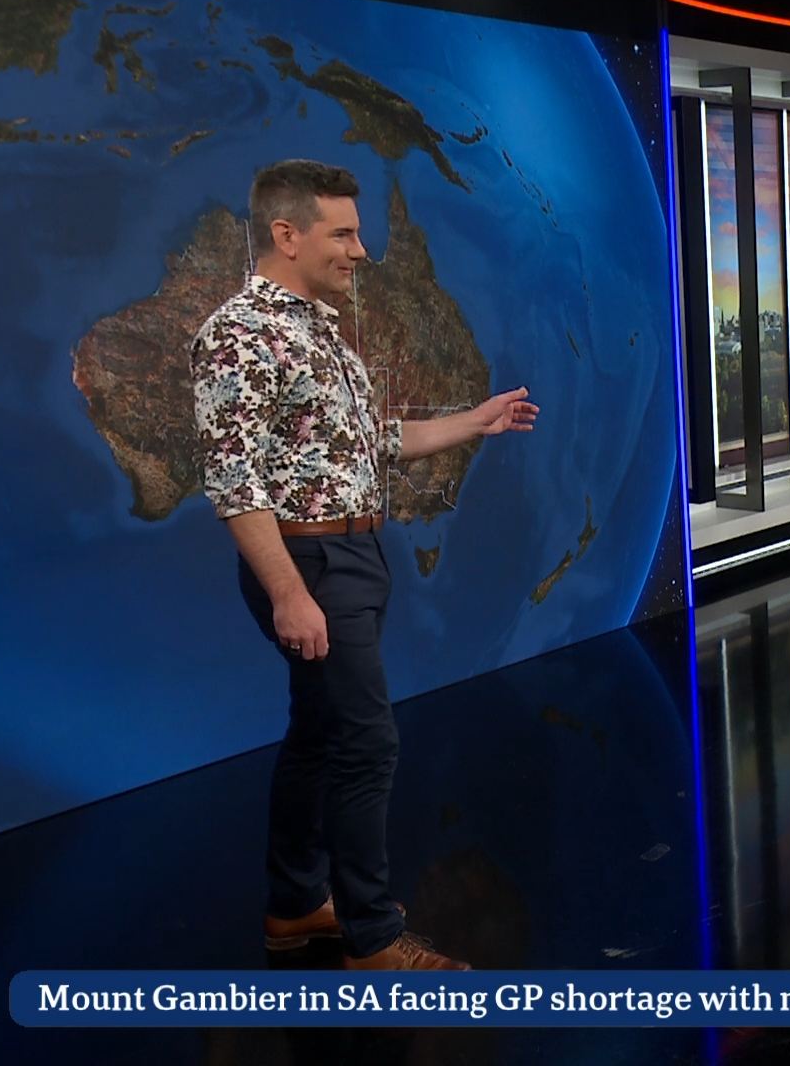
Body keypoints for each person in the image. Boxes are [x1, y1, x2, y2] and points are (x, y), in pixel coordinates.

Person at [190, 159, 540, 971]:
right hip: (307, 562)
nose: (361, 250)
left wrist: (474, 422)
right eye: (343, 233)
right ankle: (373, 940)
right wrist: (289, 594)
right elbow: (235, 483)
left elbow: (368, 444)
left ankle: (294, 908)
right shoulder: (240, 334)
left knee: (320, 735)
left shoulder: (318, 328)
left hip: (350, 554)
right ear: (287, 234)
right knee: (366, 742)